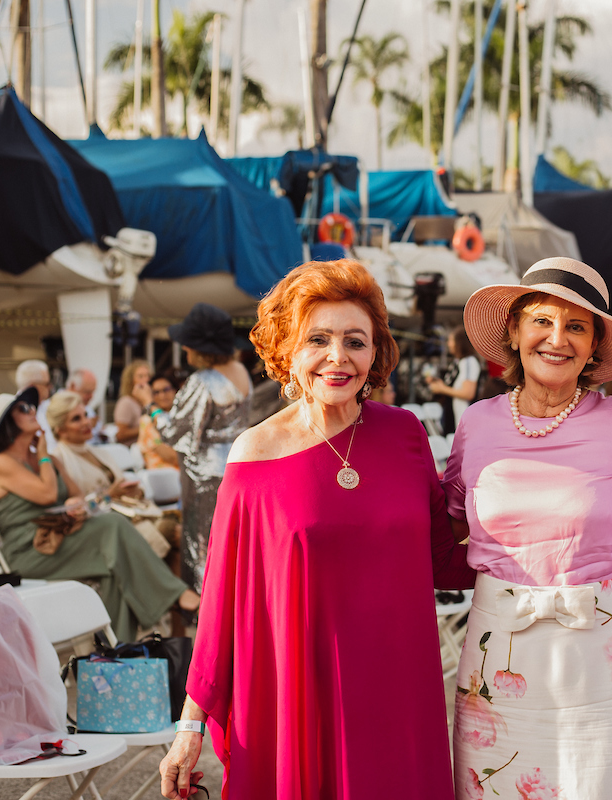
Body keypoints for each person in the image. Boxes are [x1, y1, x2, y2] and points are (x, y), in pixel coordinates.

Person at [157, 259, 474, 800]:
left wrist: (541, 541)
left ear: (375, 353)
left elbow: (443, 558)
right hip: (299, 697)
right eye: (318, 339)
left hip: (398, 692)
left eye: (355, 340)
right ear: (288, 350)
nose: (338, 357)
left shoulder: (405, 434)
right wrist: (188, 727)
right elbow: (221, 600)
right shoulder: (254, 454)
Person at [443, 257, 612, 799]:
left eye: (576, 326)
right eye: (542, 320)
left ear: (594, 347)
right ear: (515, 330)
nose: (556, 338)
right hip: (498, 661)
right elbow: (443, 524)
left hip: (605, 662)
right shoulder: (475, 425)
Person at [0, 387, 197, 638]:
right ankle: (177, 596)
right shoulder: (2, 463)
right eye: (23, 408)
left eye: (31, 406)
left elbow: (75, 495)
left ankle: (115, 655)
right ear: (8, 422)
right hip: (31, 551)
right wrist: (43, 455)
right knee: (111, 525)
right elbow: (48, 495)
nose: (32, 411)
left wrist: (73, 501)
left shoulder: (48, 459)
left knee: (112, 572)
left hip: (63, 538)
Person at [133, 303, 251, 593]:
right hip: (237, 466)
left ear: (201, 348)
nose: (184, 351)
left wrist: (150, 406)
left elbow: (174, 432)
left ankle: (203, 615)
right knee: (232, 545)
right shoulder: (240, 371)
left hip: (204, 476)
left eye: (188, 346)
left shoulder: (203, 381)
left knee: (201, 547)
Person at [48, 390, 173, 559]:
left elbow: (121, 486)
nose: (86, 422)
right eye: (76, 419)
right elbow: (76, 510)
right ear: (60, 429)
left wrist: (135, 491)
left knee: (176, 529)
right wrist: (109, 495)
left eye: (85, 415)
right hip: (103, 526)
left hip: (132, 514)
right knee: (171, 532)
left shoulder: (99, 453)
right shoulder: (60, 461)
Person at [427, 325, 482, 434]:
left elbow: (468, 393)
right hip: (454, 418)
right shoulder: (459, 362)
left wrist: (442, 389)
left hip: (464, 421)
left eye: (451, 340)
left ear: (460, 342)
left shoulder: (469, 362)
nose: (449, 344)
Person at [138, 374, 180, 470]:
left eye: (166, 389)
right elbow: (171, 457)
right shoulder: (148, 421)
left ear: (175, 390)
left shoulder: (180, 416)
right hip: (166, 477)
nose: (162, 395)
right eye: (156, 392)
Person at [113, 361, 152, 446]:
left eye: (147, 376)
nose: (146, 380)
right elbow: (121, 435)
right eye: (141, 376)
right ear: (131, 381)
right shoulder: (126, 402)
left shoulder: (151, 400)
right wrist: (149, 427)